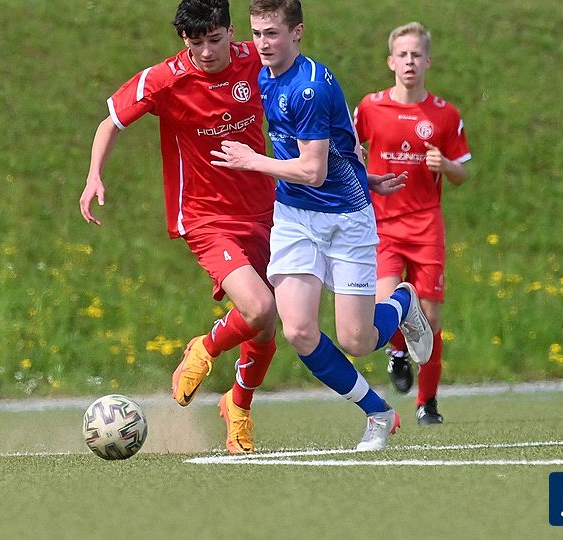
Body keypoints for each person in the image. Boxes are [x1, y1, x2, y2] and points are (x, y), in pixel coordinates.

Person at [210, 0, 434, 451]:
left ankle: (403, 302)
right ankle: (377, 413)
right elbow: (340, 145)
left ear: (297, 32)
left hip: (345, 220)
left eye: (272, 33)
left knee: (357, 339)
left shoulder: (309, 86)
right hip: (295, 217)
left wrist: (252, 161)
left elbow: (312, 170)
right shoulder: (262, 73)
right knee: (298, 330)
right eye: (257, 33)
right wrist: (360, 172)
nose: (262, 43)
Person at [79, 0, 279, 454]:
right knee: (259, 307)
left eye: (215, 40)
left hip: (266, 211)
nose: (206, 52)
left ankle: (238, 406)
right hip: (207, 218)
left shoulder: (257, 58)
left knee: (265, 330)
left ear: (231, 32)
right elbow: (110, 123)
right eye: (195, 43)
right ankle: (204, 349)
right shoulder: (165, 79)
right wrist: (94, 175)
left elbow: (307, 95)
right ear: (184, 41)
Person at [354, 22, 471, 426]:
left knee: (431, 318)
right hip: (383, 225)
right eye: (402, 55)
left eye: (416, 55)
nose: (409, 61)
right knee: (386, 305)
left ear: (428, 61)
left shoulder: (444, 114)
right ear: (391, 61)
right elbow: (349, 147)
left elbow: (462, 173)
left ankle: (427, 403)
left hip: (425, 226)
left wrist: (447, 165)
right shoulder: (371, 107)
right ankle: (398, 351)